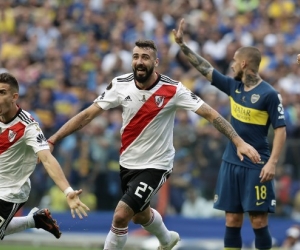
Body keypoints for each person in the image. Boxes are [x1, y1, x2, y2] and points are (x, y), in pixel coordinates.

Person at [47, 39, 260, 250]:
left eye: (145, 57)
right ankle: (167, 239)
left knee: (121, 216)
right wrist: (54, 138)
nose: (140, 61)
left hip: (157, 165)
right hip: (128, 163)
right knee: (140, 215)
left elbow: (211, 115)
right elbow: (87, 115)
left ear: (156, 62)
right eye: (136, 56)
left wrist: (238, 141)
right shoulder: (120, 84)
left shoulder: (173, 89)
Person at [173, 19, 286, 250]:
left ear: (244, 63)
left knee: (258, 220)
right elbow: (205, 69)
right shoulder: (233, 87)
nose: (231, 66)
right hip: (231, 161)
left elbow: (281, 130)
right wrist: (183, 46)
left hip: (257, 163)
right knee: (232, 220)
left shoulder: (269, 94)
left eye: (234, 61)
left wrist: (272, 163)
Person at [0, 72, 89, 240]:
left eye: (2, 92)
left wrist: (68, 191)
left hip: (10, 191)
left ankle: (34, 221)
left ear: (14, 97)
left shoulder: (28, 126)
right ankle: (35, 220)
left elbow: (47, 159)